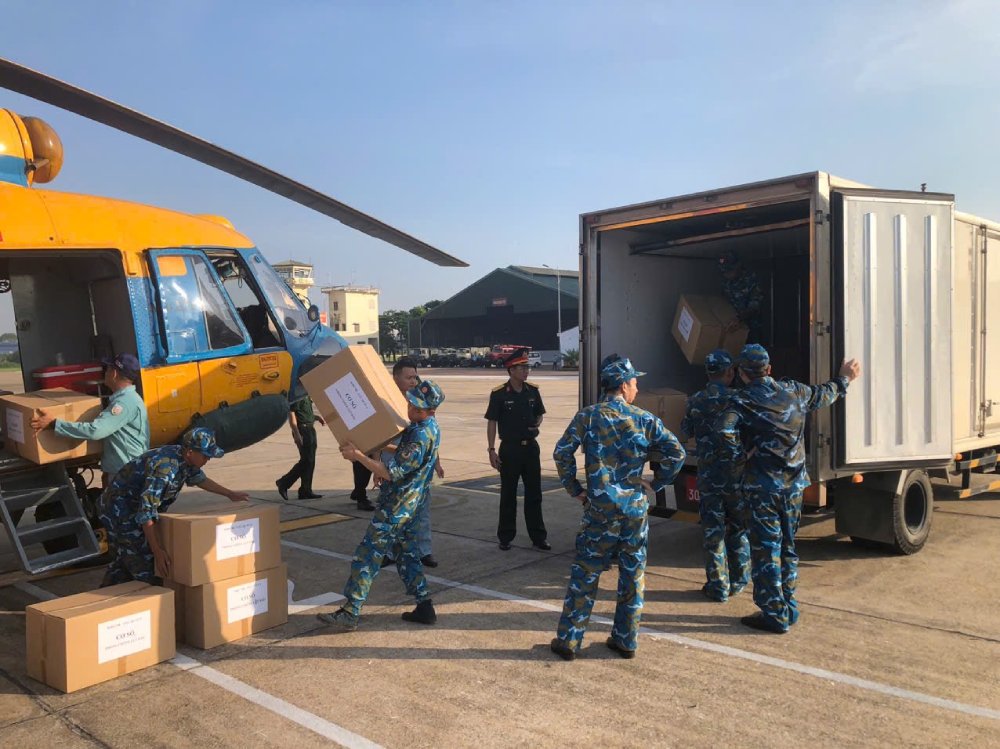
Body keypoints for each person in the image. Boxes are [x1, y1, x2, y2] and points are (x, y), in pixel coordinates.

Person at [550, 356, 686, 660]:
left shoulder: (588, 416)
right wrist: (657, 483)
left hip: (599, 508)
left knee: (586, 573)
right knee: (632, 574)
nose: (637, 388)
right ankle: (625, 639)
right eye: (635, 383)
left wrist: (577, 491)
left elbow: (562, 454)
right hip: (634, 511)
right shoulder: (644, 419)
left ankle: (570, 641)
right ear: (623, 386)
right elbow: (676, 453)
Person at [718, 344, 860, 634]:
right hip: (794, 486)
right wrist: (844, 378)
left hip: (762, 489)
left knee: (766, 549)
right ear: (769, 369)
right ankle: (788, 606)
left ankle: (774, 613)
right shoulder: (794, 392)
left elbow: (724, 431)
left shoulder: (741, 401)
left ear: (742, 374)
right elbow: (825, 394)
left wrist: (738, 459)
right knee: (787, 547)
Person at [316, 380, 444, 631]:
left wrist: (358, 456)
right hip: (411, 506)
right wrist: (376, 445)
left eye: (417, 408)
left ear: (431, 410)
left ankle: (350, 611)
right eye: (411, 404)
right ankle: (425, 606)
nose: (410, 409)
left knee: (367, 554)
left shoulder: (419, 434)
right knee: (407, 555)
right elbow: (403, 451)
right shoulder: (428, 427)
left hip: (396, 507)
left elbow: (389, 471)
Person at [97, 427, 249, 587]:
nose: (208, 459)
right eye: (205, 455)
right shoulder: (165, 470)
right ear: (190, 452)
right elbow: (146, 513)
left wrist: (229, 494)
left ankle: (108, 599)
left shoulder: (184, 457)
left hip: (131, 509)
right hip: (120, 513)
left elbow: (200, 479)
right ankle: (146, 603)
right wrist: (157, 551)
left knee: (124, 560)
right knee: (147, 568)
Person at [681, 349, 750, 603]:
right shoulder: (740, 399)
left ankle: (718, 586)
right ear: (730, 372)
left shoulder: (695, 400)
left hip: (708, 475)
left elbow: (686, 431)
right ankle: (740, 580)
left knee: (713, 531)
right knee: (738, 529)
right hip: (736, 475)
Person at [31, 353, 150, 487]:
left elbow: (96, 431)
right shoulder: (127, 399)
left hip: (125, 473)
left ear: (114, 374)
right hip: (123, 470)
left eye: (108, 369)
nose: (104, 373)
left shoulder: (124, 404)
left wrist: (54, 424)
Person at [379, 357, 443, 568]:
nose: (414, 381)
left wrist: (436, 461)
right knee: (392, 510)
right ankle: (390, 552)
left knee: (421, 509)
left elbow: (430, 435)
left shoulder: (423, 400)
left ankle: (424, 551)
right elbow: (377, 437)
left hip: (419, 467)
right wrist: (375, 465)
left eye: (415, 376)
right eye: (409, 377)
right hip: (393, 461)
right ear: (395, 378)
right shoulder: (385, 402)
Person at [485, 348, 549, 551]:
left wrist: (536, 423)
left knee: (534, 494)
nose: (526, 371)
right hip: (510, 450)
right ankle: (505, 537)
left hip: (530, 449)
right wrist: (491, 449)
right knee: (508, 494)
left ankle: (538, 537)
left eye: (527, 367)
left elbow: (540, 413)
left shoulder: (533, 391)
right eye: (522, 368)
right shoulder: (499, 394)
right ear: (511, 370)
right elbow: (492, 422)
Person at [275, 396, 326, 500]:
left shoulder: (307, 395)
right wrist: (296, 433)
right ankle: (284, 482)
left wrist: (315, 417)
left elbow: (304, 413)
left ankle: (305, 490)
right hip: (303, 430)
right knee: (306, 460)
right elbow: (292, 413)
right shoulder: (298, 395)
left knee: (310, 461)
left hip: (310, 428)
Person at [718, 251, 764, 344]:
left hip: (751, 331)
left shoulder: (751, 281)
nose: (727, 274)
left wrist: (739, 318)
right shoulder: (725, 283)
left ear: (738, 266)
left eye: (730, 270)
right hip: (731, 330)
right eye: (724, 271)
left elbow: (754, 307)